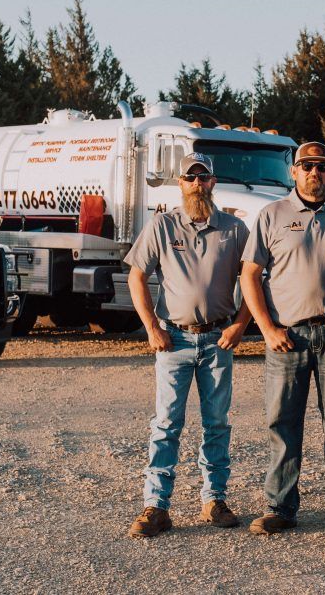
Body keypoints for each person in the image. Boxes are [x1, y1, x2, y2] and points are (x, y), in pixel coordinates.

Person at [241, 141, 325, 535]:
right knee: (282, 423)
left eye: (322, 166)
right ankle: (280, 507)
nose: (315, 172)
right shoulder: (271, 214)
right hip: (287, 337)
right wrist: (266, 328)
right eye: (307, 166)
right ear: (293, 171)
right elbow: (250, 275)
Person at [125, 152, 251, 538]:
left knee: (217, 423)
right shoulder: (162, 226)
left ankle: (214, 500)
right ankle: (156, 507)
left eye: (204, 177)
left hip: (218, 338)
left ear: (213, 183)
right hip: (173, 339)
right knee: (166, 424)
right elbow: (136, 277)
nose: (197, 184)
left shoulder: (234, 229)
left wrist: (240, 326)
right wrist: (151, 327)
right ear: (180, 183)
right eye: (190, 177)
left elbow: (253, 281)